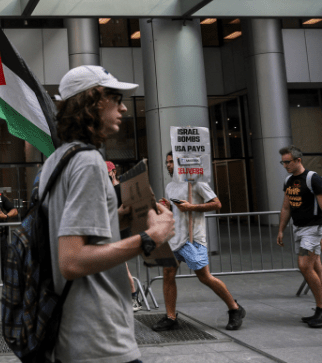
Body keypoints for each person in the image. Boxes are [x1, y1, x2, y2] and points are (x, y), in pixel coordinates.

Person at [42, 65, 175, 363]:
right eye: (117, 98)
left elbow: (67, 232)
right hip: (98, 337)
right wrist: (151, 237)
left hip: (71, 333)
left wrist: (117, 218)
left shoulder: (56, 160)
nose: (124, 107)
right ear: (95, 100)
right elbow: (72, 261)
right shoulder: (89, 162)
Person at [152, 152, 245, 332]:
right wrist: (167, 207)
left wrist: (191, 207)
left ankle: (235, 308)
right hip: (174, 237)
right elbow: (177, 210)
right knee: (168, 273)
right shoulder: (170, 186)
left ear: (182, 164)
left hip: (193, 239)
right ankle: (171, 317)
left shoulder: (197, 182)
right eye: (167, 162)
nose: (169, 165)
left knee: (205, 277)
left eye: (172, 162)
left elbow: (217, 204)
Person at [276, 145, 322, 327]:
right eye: (283, 162)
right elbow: (286, 207)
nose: (285, 165)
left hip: (314, 228)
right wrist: (281, 229)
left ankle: (320, 308)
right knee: (316, 267)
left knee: (304, 265)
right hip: (299, 228)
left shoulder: (313, 179)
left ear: (298, 161)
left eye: (288, 162)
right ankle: (320, 308)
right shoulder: (288, 181)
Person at [107, 161, 142, 312]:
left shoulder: (121, 188)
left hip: (120, 231)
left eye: (107, 171)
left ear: (113, 171)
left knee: (121, 265)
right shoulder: (106, 189)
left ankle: (134, 297)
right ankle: (124, 297)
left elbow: (128, 209)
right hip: (111, 230)